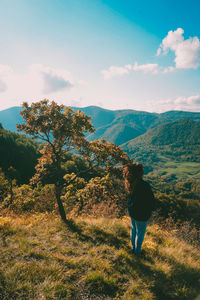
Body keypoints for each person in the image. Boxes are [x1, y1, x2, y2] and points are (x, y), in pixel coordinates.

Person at [123, 162, 155, 255]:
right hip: (142, 213)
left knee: (134, 229)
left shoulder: (130, 183)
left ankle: (133, 248)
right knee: (140, 232)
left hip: (132, 211)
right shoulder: (144, 185)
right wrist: (151, 209)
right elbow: (151, 201)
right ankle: (137, 252)